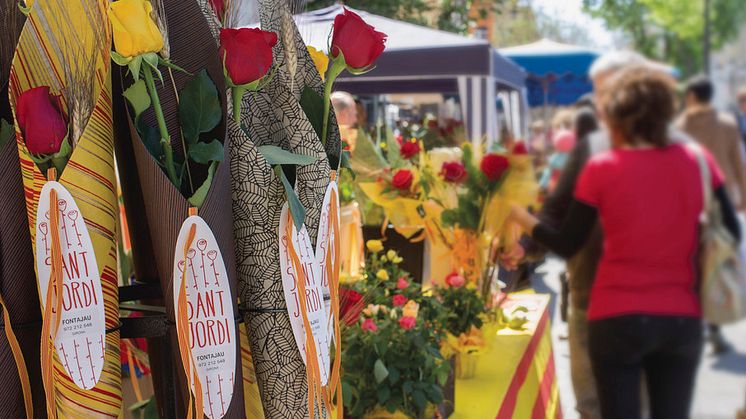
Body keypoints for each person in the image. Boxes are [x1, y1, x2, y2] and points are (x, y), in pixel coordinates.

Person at [509, 67, 741, 419]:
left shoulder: (602, 167)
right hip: (679, 315)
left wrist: (521, 218)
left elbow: (567, 243)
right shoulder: (697, 160)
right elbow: (732, 232)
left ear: (615, 116)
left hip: (615, 316)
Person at [500, 50, 647, 419]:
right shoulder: (589, 149)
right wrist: (526, 246)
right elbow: (557, 208)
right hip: (588, 290)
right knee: (590, 403)